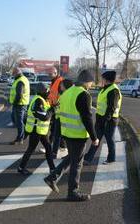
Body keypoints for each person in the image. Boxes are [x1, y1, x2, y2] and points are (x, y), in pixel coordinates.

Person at [44, 70, 99, 201]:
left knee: (72, 157)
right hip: (78, 135)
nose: (91, 85)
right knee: (77, 164)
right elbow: (87, 118)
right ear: (86, 81)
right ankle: (72, 192)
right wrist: (94, 137)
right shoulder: (83, 95)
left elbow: (58, 110)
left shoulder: (66, 93)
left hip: (67, 133)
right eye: (91, 82)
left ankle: (52, 177)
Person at [17, 83, 56, 176]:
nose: (49, 93)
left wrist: (51, 108)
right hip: (36, 130)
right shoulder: (38, 101)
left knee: (48, 148)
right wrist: (52, 109)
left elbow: (45, 114)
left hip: (41, 130)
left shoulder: (42, 100)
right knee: (32, 149)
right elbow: (44, 117)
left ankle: (52, 169)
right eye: (47, 91)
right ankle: (21, 167)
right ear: (43, 91)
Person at [84, 71, 122, 165]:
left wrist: (106, 119)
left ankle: (111, 158)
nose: (101, 80)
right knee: (96, 138)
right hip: (101, 118)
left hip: (109, 120)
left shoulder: (113, 90)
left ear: (106, 79)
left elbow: (111, 107)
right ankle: (88, 158)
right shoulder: (105, 89)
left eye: (102, 78)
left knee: (109, 139)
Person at [47, 67, 66, 158]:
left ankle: (51, 147)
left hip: (58, 108)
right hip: (53, 107)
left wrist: (56, 104)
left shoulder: (60, 81)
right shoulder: (53, 81)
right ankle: (63, 146)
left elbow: (62, 95)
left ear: (55, 73)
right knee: (56, 129)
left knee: (55, 129)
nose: (49, 76)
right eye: (49, 74)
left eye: (51, 74)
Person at [9, 67, 30, 145]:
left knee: (19, 122)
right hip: (22, 103)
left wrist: (14, 103)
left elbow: (19, 95)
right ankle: (24, 133)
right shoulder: (23, 79)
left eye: (13, 74)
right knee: (17, 120)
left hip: (19, 104)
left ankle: (20, 138)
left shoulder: (20, 81)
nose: (13, 75)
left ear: (16, 73)